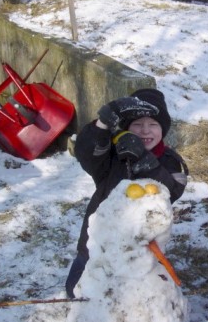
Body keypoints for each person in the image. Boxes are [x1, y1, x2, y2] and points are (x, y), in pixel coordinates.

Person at [65, 88, 188, 299]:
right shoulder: (111, 155)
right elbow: (86, 154)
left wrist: (142, 158)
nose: (145, 131)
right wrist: (103, 124)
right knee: (77, 291)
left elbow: (171, 191)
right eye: (137, 124)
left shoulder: (171, 162)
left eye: (153, 124)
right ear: (128, 128)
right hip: (97, 243)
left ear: (163, 128)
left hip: (142, 249)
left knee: (130, 302)